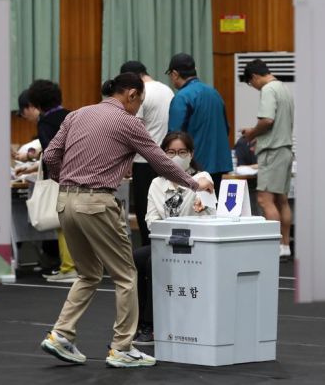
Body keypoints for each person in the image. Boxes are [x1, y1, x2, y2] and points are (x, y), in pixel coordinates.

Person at [40, 73, 214, 368]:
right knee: (126, 275)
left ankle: (61, 334)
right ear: (131, 94)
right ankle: (122, 347)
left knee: (88, 274)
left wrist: (66, 179)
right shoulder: (128, 122)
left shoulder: (77, 114)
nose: (139, 108)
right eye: (140, 102)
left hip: (65, 200)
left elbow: (50, 155)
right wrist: (194, 183)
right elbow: (159, 161)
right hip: (97, 203)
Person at [132, 131, 215, 346]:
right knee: (134, 258)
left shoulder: (201, 178)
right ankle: (137, 320)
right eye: (170, 152)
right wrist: (167, 233)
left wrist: (201, 202)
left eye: (182, 152)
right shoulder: (156, 184)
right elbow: (151, 220)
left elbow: (208, 215)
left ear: (191, 154)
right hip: (165, 242)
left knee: (153, 262)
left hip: (192, 244)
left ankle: (151, 325)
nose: (176, 157)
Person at [17, 84, 78, 282]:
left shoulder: (45, 123)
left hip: (62, 177)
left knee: (63, 224)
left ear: (36, 104)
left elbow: (51, 153)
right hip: (81, 174)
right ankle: (81, 266)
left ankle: (69, 268)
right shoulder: (72, 116)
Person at [240, 59, 295, 258]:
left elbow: (267, 120)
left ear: (254, 77)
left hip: (273, 151)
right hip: (285, 149)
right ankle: (284, 246)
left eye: (250, 83)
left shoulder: (268, 90)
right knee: (281, 200)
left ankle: (273, 247)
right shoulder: (283, 88)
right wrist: (257, 134)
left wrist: (252, 134)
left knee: (264, 200)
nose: (253, 87)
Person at [119, 60, 175, 247]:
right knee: (166, 210)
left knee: (146, 214)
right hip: (167, 158)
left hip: (144, 162)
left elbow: (135, 130)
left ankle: (148, 258)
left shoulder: (140, 93)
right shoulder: (166, 90)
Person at [166, 53, 232, 195]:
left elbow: (174, 137)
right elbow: (226, 128)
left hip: (195, 167)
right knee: (214, 209)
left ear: (175, 74)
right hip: (219, 164)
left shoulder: (182, 97)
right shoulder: (214, 93)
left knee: (195, 211)